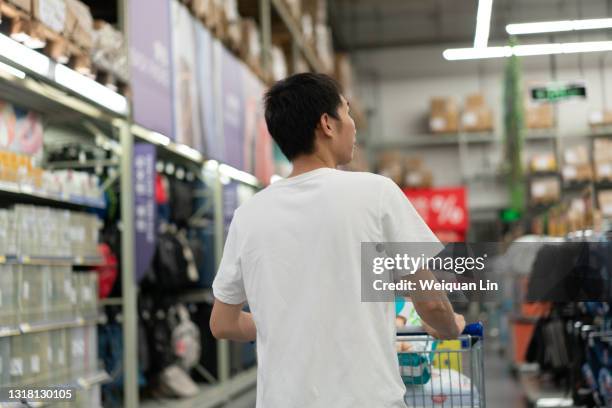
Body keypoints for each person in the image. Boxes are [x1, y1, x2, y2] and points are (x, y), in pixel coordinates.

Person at [210, 73, 465, 407]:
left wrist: (288, 319)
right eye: (348, 113)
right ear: (327, 124)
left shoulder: (249, 215)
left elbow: (223, 323)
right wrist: (449, 328)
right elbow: (430, 302)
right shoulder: (376, 193)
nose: (354, 125)